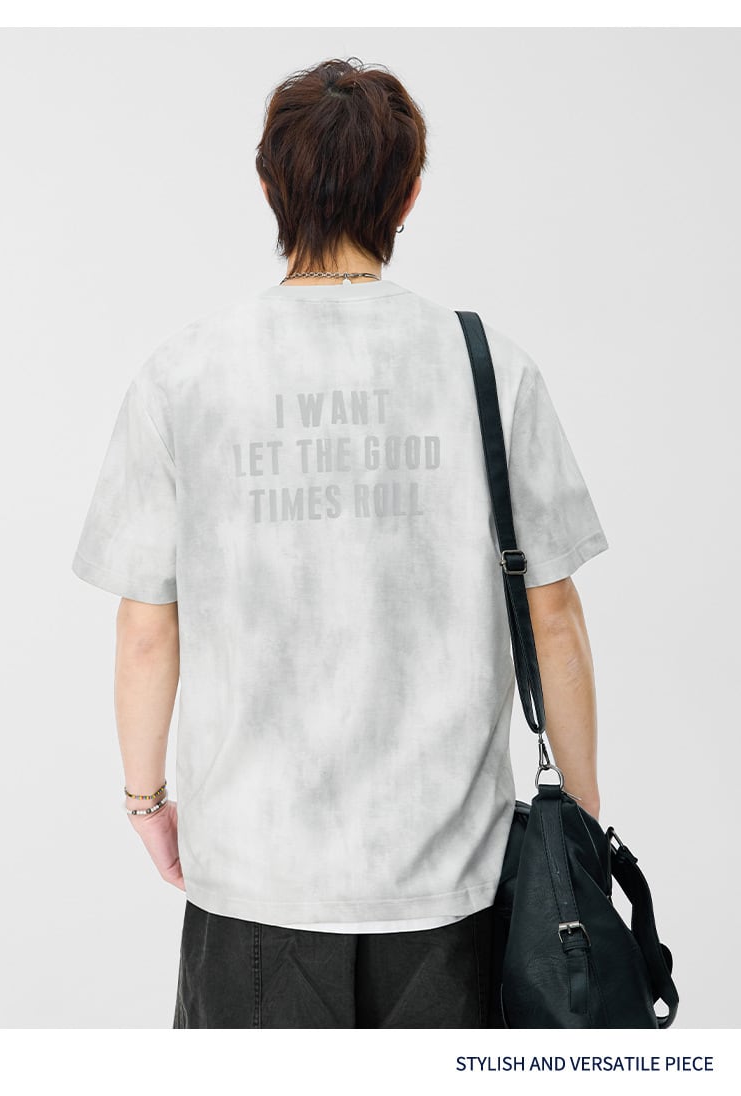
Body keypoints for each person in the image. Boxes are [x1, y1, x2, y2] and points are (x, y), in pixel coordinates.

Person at [71, 56, 608, 1029]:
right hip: (449, 885)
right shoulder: (489, 368)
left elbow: (147, 630)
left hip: (251, 879)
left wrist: (147, 803)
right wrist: (581, 828)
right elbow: (556, 617)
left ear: (268, 185)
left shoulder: (184, 376)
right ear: (408, 192)